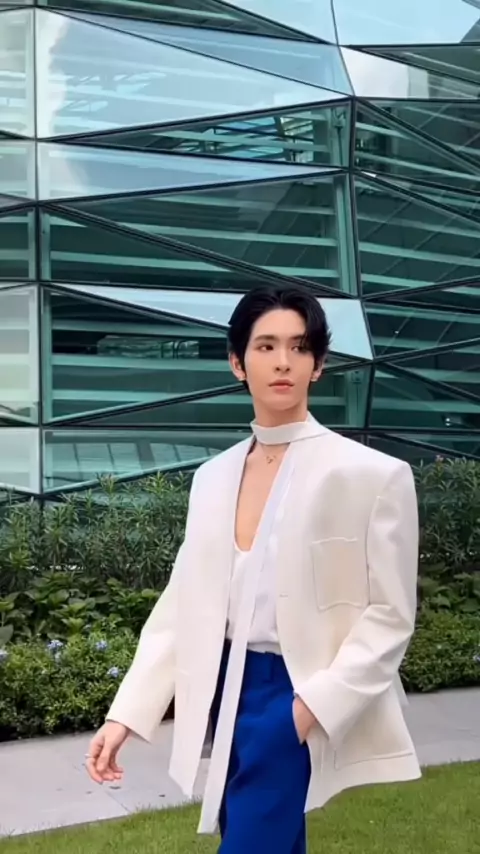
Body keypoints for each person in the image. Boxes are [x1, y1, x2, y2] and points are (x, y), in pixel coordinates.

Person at [85, 283, 421, 853]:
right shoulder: (212, 478)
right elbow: (183, 605)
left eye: (299, 346)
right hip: (223, 689)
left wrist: (308, 709)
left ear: (318, 364)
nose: (283, 361)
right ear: (238, 363)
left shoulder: (372, 475)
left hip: (295, 692)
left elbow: (391, 616)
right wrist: (127, 714)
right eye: (266, 346)